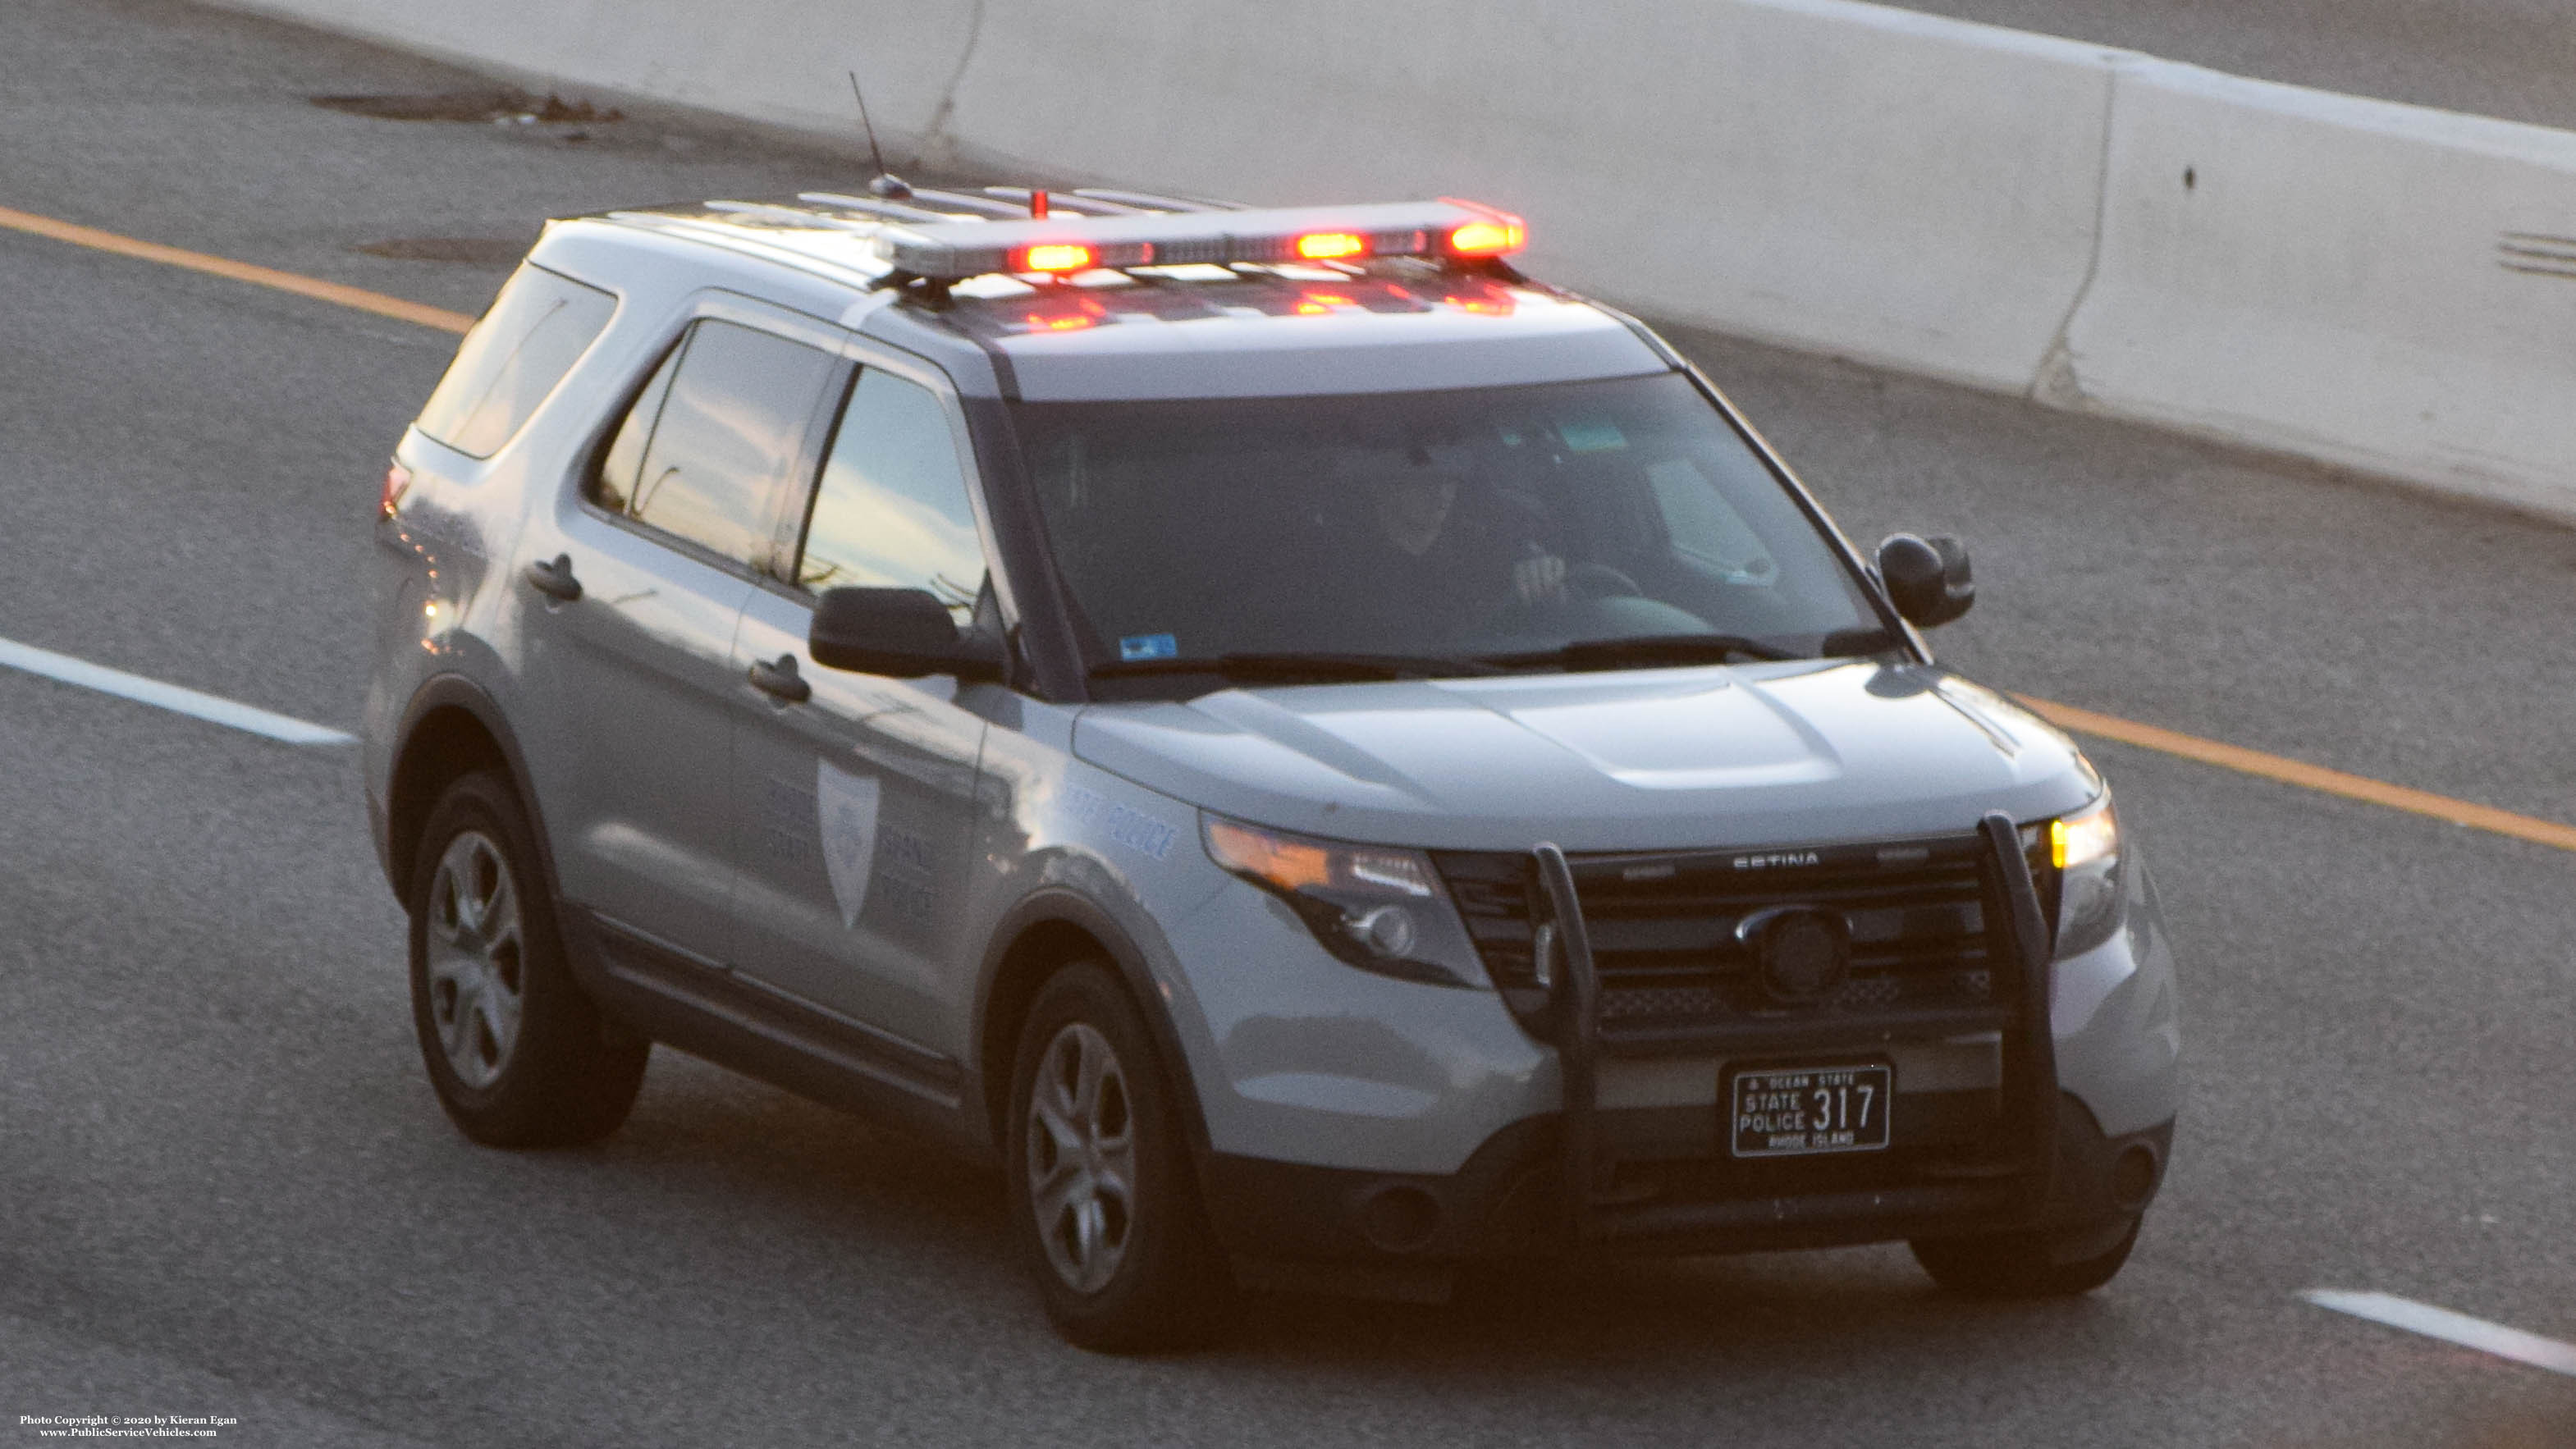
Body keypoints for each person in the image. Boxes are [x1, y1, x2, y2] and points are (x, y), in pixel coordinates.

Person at [1331, 451, 1567, 646]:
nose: (1441, 493)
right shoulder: (1341, 570)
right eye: (1424, 481)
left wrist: (1542, 572)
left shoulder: (1484, 553)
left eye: (1450, 480)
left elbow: (1543, 612)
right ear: (1382, 487)